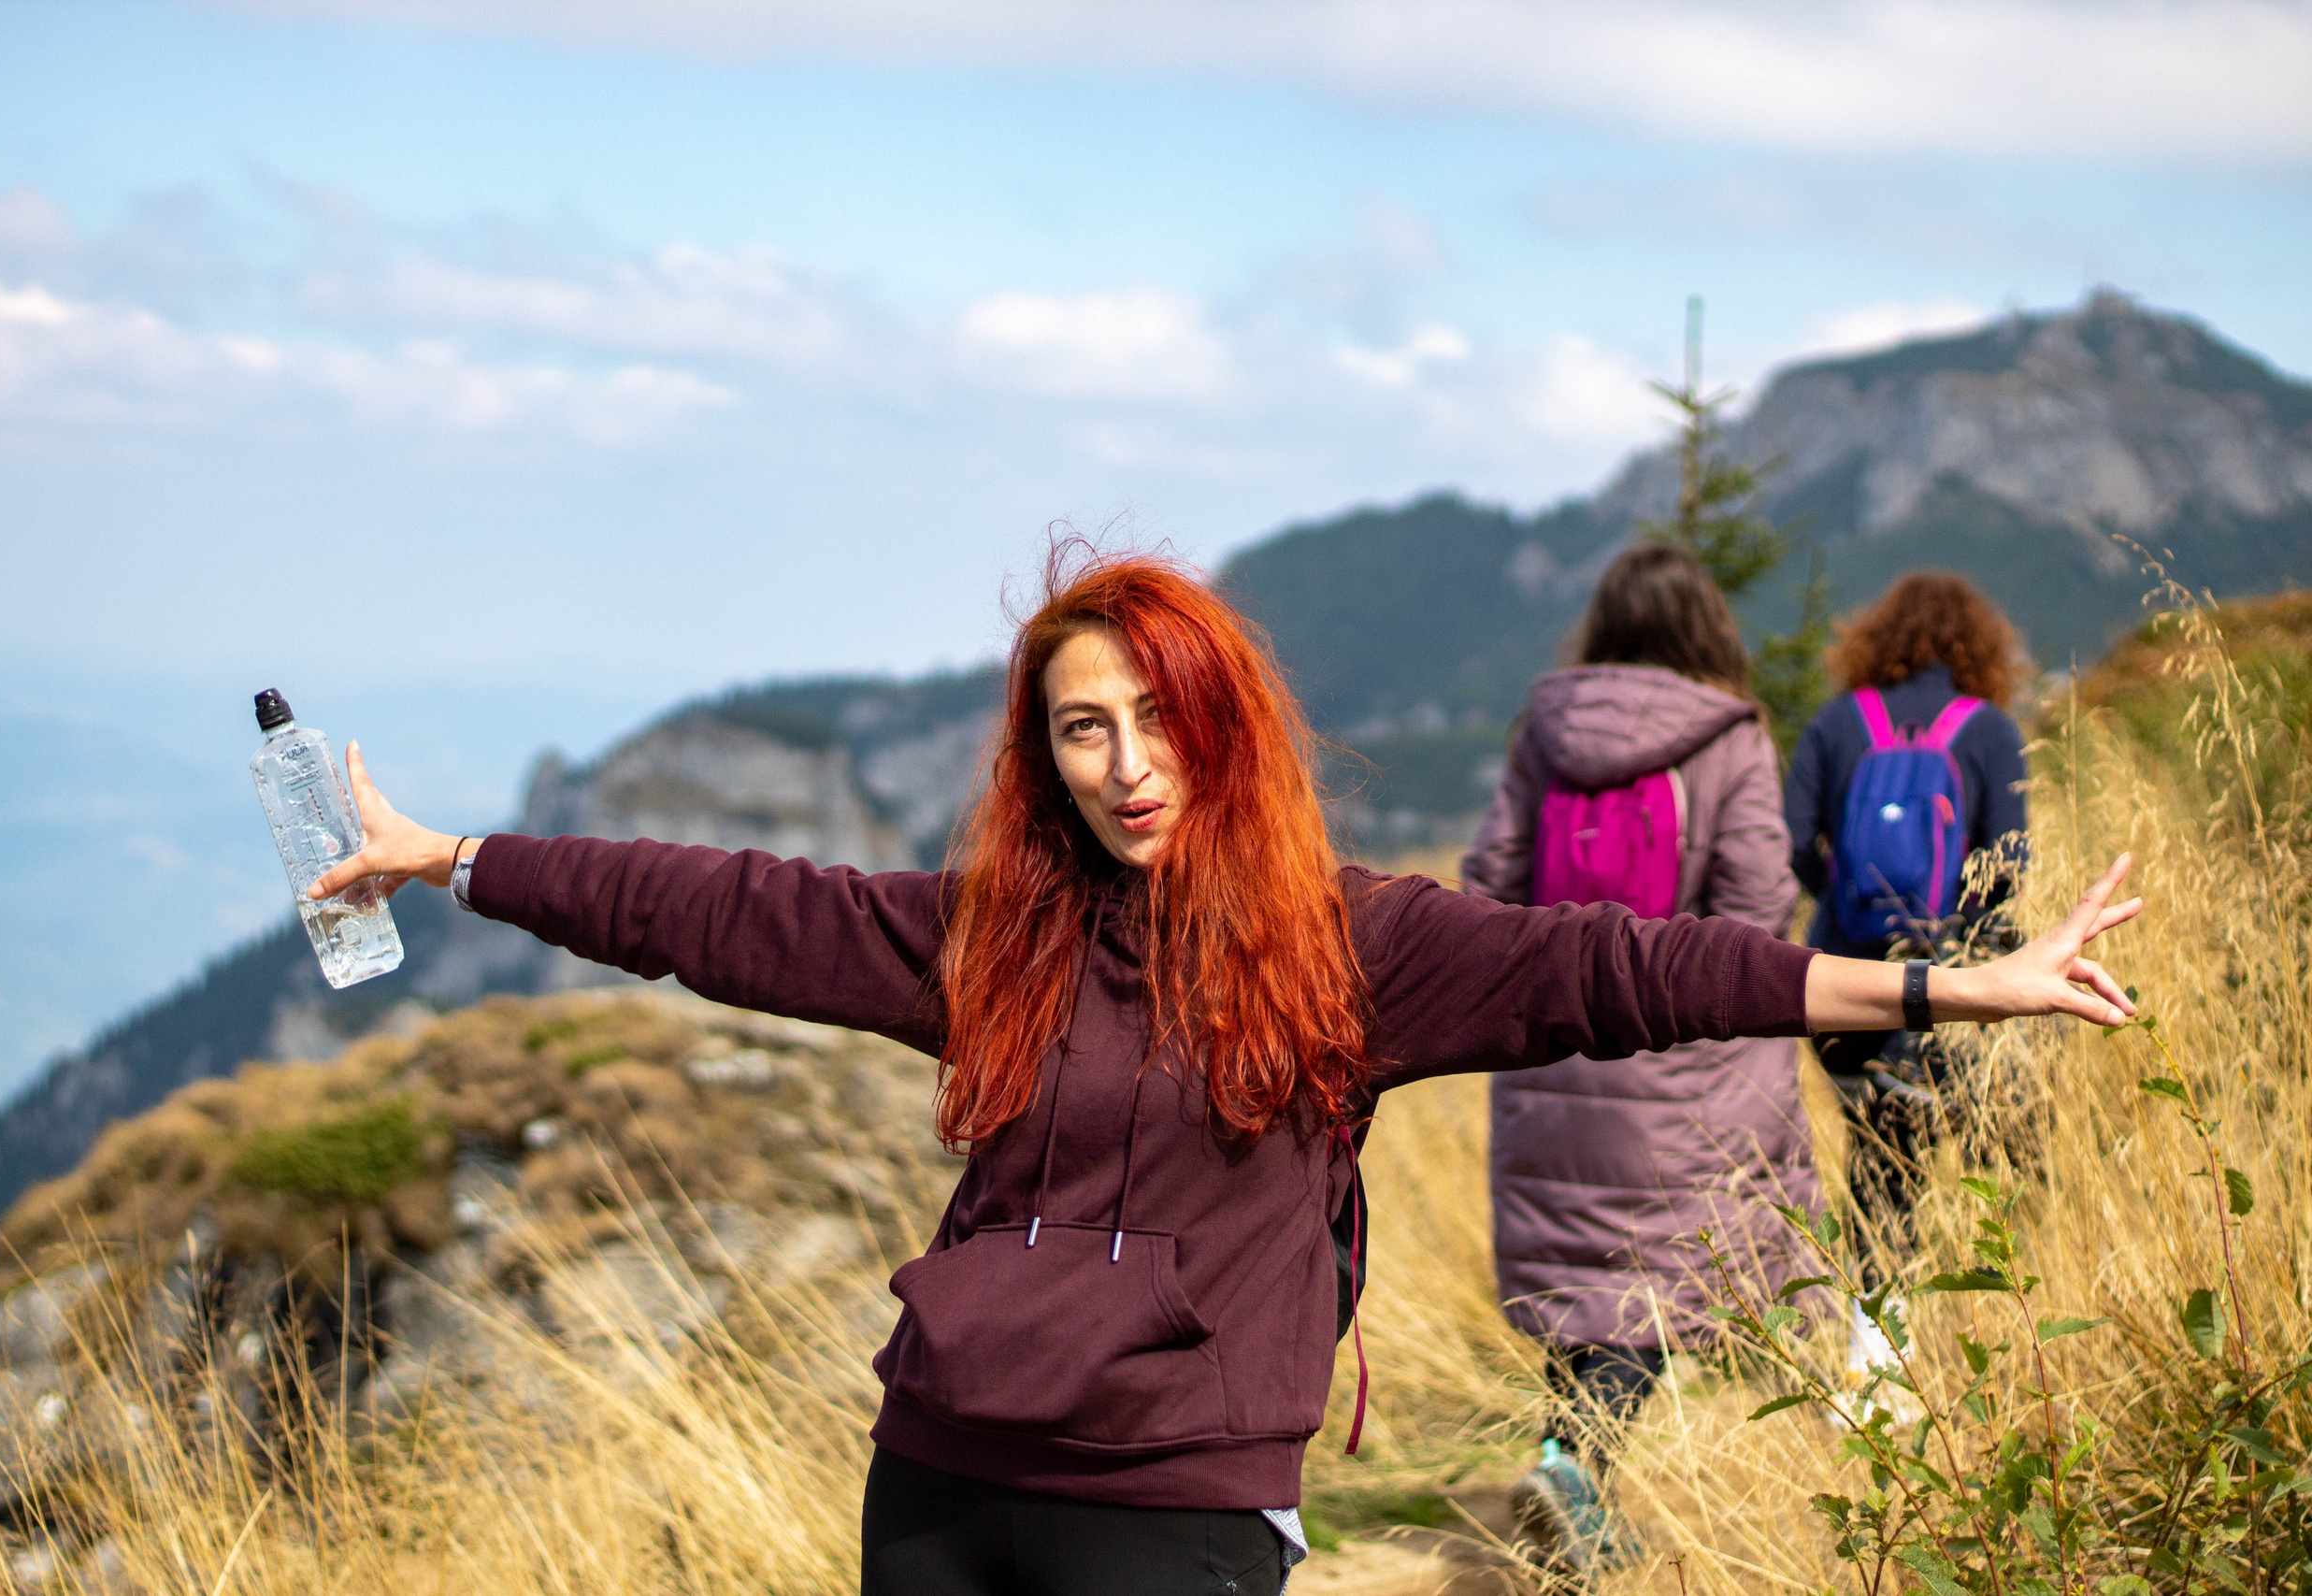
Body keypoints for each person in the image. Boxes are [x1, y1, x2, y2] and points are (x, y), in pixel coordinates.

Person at [311, 549, 2135, 1596]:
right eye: (1078, 727)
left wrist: (1947, 990)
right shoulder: (989, 933)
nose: (1122, 763)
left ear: (1225, 727)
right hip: (938, 1485)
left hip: (1178, 1510)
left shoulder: (1349, 948)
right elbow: (719, 907)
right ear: (1041, 751)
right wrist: (460, 857)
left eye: (1153, 719)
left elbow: (1632, 968)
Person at [1462, 544, 1818, 1578]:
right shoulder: (1731, 735)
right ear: (1706, 627)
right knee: (1649, 1287)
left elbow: (1489, 875)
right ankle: (1572, 1468)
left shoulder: (1544, 730)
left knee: (1580, 1279)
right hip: (1678, 1058)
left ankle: (1566, 1470)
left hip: (1553, 1045)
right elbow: (1758, 900)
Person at [1785, 570, 2031, 1297]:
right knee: (1993, 1166)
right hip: (1953, 984)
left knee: (1878, 1159)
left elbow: (1794, 839)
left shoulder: (1836, 723)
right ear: (1980, 646)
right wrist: (1966, 944)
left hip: (1842, 981)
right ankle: (1989, 1339)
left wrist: (1841, 899)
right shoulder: (1987, 729)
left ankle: (1877, 1354)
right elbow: (2007, 865)